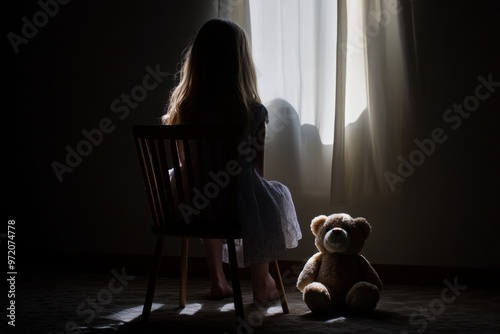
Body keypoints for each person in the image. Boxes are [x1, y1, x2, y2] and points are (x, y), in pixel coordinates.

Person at [161, 18, 302, 303]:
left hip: (190, 204)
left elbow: (186, 164)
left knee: (205, 191)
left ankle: (217, 280)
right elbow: (256, 172)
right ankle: (261, 284)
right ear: (241, 64)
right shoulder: (252, 113)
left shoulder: (184, 109)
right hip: (234, 204)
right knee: (266, 198)